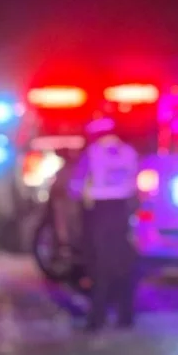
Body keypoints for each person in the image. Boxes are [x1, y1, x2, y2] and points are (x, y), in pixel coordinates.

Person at [69, 116, 140, 332]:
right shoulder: (129, 152)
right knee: (123, 264)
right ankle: (125, 316)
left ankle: (96, 319)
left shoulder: (92, 153)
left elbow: (75, 187)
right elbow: (136, 183)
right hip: (123, 211)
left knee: (99, 266)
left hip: (98, 214)